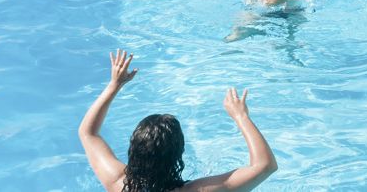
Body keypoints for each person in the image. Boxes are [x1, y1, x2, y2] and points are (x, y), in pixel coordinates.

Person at [79, 49, 278, 192]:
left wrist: (114, 85)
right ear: (178, 154)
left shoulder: (117, 184)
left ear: (134, 149)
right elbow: (265, 166)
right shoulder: (200, 190)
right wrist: (241, 116)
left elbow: (88, 133)